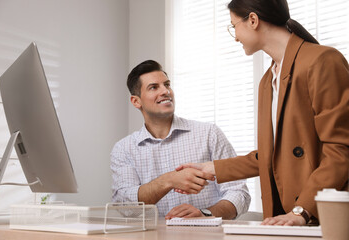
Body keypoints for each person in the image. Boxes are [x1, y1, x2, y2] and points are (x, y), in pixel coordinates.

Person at [176, 0, 349, 226]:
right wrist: (213, 169)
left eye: (233, 26)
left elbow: (340, 150)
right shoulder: (268, 81)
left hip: (324, 216)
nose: (235, 36)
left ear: (253, 20)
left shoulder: (322, 60)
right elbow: (272, 155)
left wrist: (301, 211)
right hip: (284, 218)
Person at [110, 60, 250, 219]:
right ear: (136, 101)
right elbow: (125, 207)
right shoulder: (124, 149)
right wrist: (168, 180)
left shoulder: (209, 133)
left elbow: (239, 192)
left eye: (167, 84)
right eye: (154, 87)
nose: (165, 91)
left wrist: (206, 214)